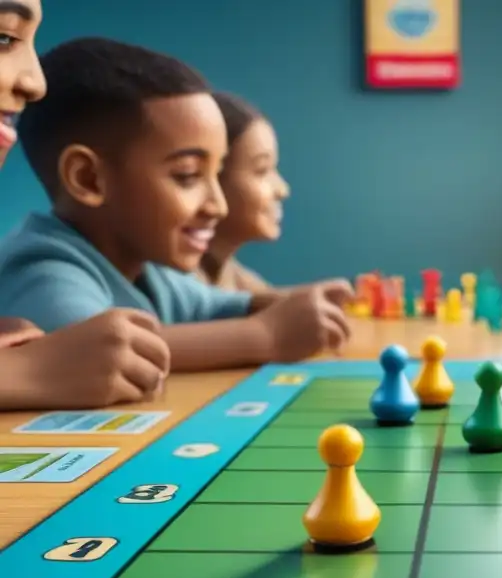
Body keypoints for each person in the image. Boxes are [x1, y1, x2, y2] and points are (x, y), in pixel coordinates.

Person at [0, 37, 353, 372]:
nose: (218, 205)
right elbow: (96, 351)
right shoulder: (43, 268)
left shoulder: (149, 271)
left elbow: (226, 306)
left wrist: (301, 302)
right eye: (187, 175)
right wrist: (267, 336)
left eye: (218, 172)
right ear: (88, 179)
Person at [0, 1, 172, 409]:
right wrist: (30, 371)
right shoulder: (44, 261)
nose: (36, 83)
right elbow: (95, 347)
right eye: (4, 37)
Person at [196, 91, 351, 301]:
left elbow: (277, 304)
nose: (283, 189)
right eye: (262, 170)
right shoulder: (171, 284)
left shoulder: (232, 275)